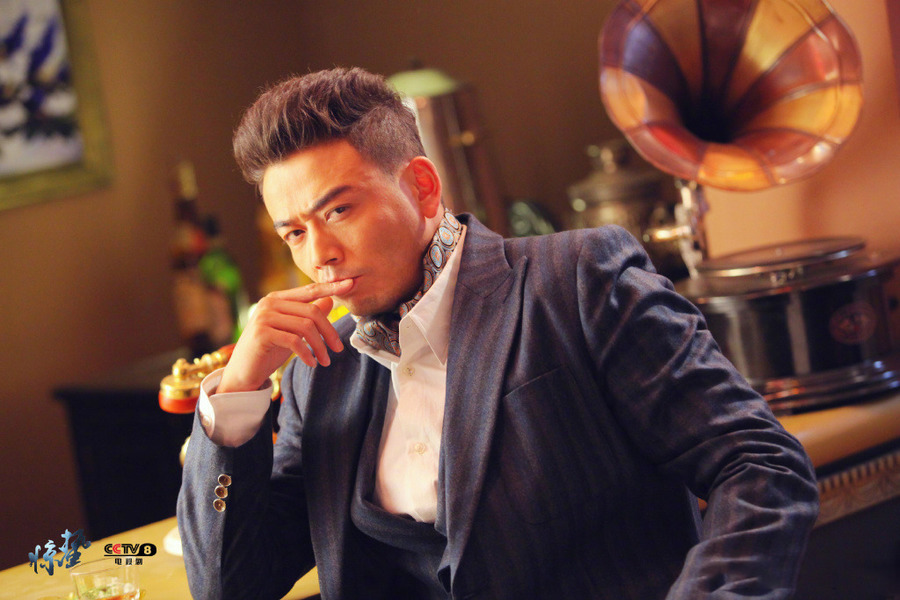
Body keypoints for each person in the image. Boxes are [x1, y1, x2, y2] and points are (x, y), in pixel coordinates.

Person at [177, 67, 818, 600]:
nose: (320, 254)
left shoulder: (577, 280)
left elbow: (759, 466)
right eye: (294, 232)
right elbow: (228, 585)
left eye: (339, 210)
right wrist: (237, 394)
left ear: (422, 187)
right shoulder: (319, 371)